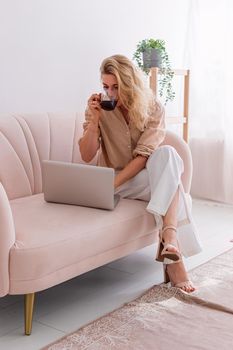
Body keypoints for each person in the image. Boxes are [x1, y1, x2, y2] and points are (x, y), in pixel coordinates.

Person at [79, 54, 202, 293]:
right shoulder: (99, 107)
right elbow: (86, 155)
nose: (111, 93)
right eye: (106, 87)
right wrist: (94, 122)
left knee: (168, 155)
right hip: (114, 179)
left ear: (130, 83)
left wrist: (113, 184)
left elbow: (144, 156)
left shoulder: (152, 107)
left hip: (135, 178)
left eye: (117, 87)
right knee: (171, 183)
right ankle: (172, 247)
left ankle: (169, 239)